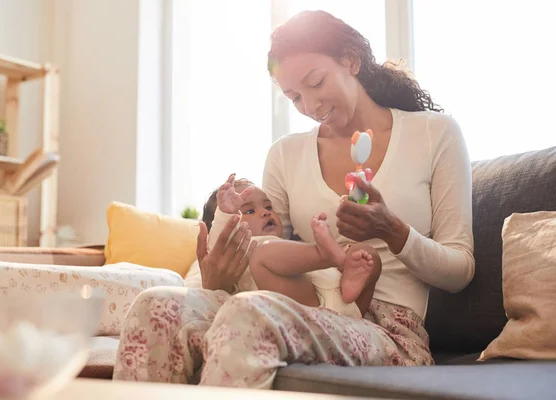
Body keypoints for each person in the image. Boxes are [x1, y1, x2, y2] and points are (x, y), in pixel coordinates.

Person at [113, 10, 474, 388]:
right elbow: (268, 255)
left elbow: (460, 270)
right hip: (306, 306)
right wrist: (219, 279)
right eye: (294, 97)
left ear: (351, 60)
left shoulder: (435, 135)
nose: (311, 107)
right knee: (156, 306)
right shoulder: (285, 155)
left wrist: (394, 230)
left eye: (316, 82)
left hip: (388, 330)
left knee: (250, 314)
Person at [203, 173, 381, 319]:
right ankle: (324, 255)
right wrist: (224, 213)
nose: (265, 212)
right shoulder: (239, 248)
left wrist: (348, 265)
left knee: (367, 253)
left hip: (349, 301)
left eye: (268, 206)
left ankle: (347, 271)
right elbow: (216, 242)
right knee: (262, 255)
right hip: (308, 305)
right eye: (250, 211)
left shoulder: (288, 248)